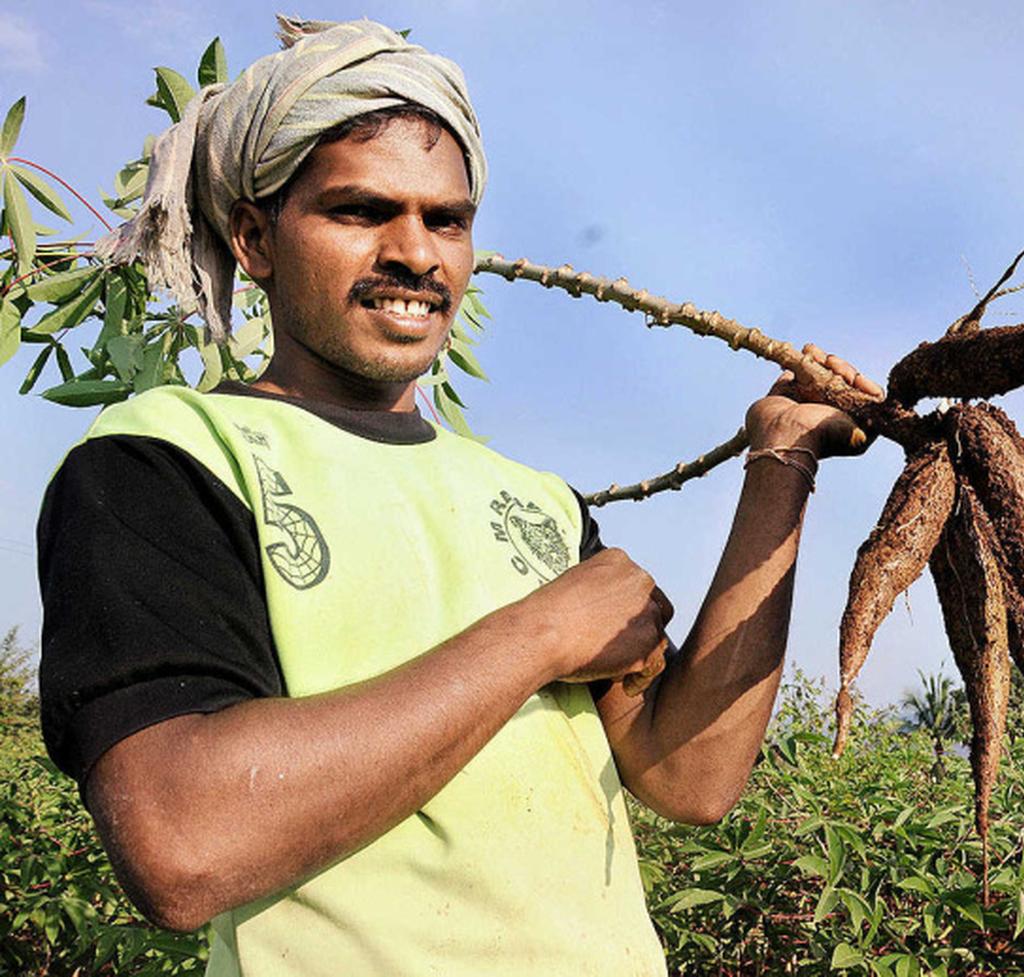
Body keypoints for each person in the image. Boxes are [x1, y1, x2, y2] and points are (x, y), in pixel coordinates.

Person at [36, 16, 882, 977]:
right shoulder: (173, 457)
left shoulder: (536, 504)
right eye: (361, 211)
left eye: (447, 219)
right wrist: (537, 636)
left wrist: (781, 470)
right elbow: (184, 843)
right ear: (255, 237)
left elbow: (686, 773)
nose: (417, 253)